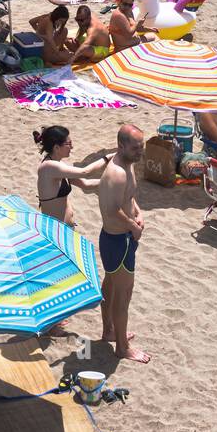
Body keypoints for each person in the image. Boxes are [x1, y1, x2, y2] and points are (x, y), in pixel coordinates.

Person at [98, 124, 149, 364]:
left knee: (110, 285)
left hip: (118, 239)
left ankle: (109, 331)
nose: (141, 151)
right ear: (121, 146)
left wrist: (138, 212)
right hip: (118, 241)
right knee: (123, 295)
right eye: (136, 147)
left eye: (142, 146)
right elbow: (112, 209)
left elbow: (128, 198)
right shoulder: (117, 172)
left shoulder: (127, 163)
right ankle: (122, 347)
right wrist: (133, 227)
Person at [34, 125, 110, 226]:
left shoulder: (58, 165)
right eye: (69, 144)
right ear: (56, 147)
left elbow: (85, 184)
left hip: (64, 228)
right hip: (56, 231)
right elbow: (85, 172)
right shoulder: (49, 166)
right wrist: (107, 158)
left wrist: (112, 182)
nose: (72, 147)